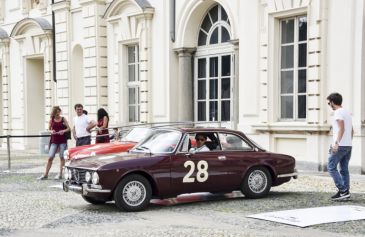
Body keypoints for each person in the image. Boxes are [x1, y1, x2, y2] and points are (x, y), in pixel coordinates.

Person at [327, 92, 354, 201]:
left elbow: (341, 128)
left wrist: (337, 143)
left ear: (333, 102)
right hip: (348, 145)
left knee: (331, 167)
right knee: (343, 169)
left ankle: (343, 190)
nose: (329, 105)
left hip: (340, 145)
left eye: (329, 103)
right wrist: (348, 142)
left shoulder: (338, 112)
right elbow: (352, 130)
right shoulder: (347, 112)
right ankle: (345, 192)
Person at [38, 106, 70, 180]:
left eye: (59, 112)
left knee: (62, 157)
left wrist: (63, 131)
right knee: (50, 157)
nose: (58, 114)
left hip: (62, 140)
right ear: (54, 112)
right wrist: (51, 131)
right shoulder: (51, 120)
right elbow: (49, 129)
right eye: (57, 112)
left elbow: (68, 128)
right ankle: (46, 174)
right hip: (54, 140)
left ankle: (60, 174)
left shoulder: (63, 119)